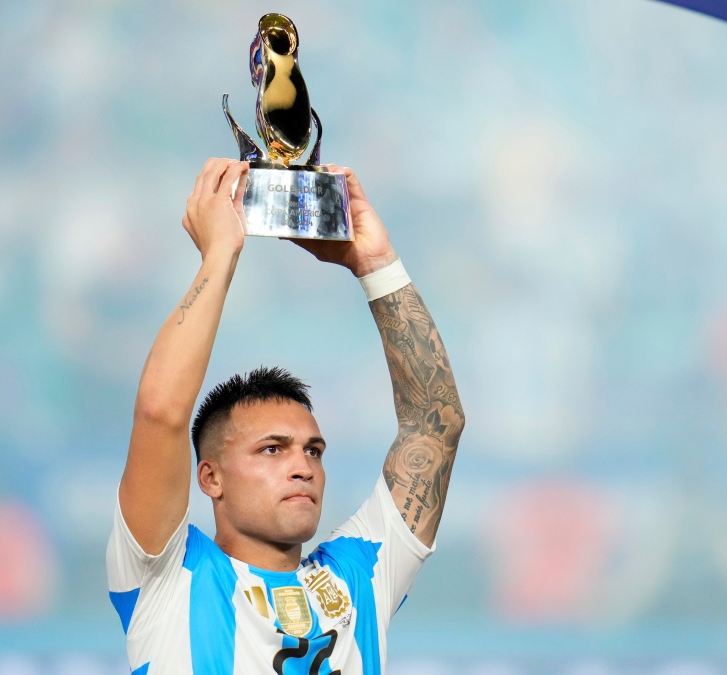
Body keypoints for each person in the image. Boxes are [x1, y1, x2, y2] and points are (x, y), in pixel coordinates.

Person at [106, 158, 465, 674]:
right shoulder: (166, 573)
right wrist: (220, 254)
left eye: (312, 450)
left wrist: (376, 264)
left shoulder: (358, 575)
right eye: (272, 449)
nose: (303, 467)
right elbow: (162, 412)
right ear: (210, 477)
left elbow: (436, 422)